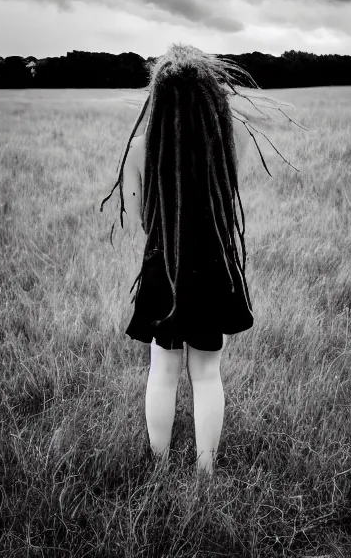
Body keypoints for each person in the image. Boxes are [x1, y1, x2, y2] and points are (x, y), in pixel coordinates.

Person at [101, 44, 301, 476]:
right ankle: (205, 471)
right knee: (208, 374)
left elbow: (139, 221)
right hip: (213, 265)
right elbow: (223, 197)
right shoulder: (232, 138)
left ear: (159, 95)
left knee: (163, 371)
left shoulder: (139, 146)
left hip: (163, 268)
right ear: (210, 94)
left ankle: (158, 466)